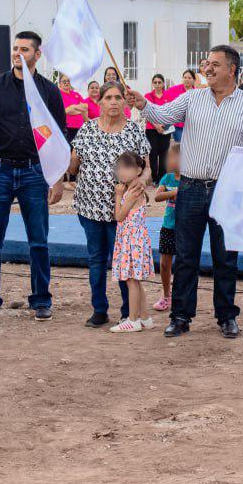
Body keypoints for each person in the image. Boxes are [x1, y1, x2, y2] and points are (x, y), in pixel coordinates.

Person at [126, 46, 243, 339]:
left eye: (215, 64)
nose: (208, 68)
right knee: (186, 255)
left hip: (228, 191)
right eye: (206, 63)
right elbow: (162, 115)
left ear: (232, 69)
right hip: (189, 188)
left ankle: (226, 316)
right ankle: (180, 316)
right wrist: (142, 104)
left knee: (226, 257)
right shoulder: (192, 98)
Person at [0, 31, 66, 322]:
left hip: (35, 171)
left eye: (25, 49)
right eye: (15, 48)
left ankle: (41, 300)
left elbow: (59, 137)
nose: (18, 53)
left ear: (37, 54)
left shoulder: (49, 91)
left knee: (39, 241)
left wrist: (57, 178)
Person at [68, 80, 149, 327]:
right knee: (96, 260)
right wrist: (69, 160)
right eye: (108, 98)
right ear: (99, 101)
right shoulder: (87, 130)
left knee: (124, 261)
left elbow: (148, 169)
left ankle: (129, 312)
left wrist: (141, 183)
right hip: (90, 207)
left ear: (125, 101)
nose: (113, 102)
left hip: (123, 212)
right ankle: (99, 310)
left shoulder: (135, 130)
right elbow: (73, 167)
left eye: (118, 97)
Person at [109, 151, 155, 332]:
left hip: (132, 240)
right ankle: (144, 317)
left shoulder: (132, 191)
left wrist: (118, 195)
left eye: (127, 168)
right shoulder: (135, 186)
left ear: (138, 170)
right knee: (135, 280)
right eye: (120, 168)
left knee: (131, 280)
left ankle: (133, 319)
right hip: (133, 239)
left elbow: (119, 216)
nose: (122, 172)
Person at [153, 144, 181, 313]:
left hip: (184, 227)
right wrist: (174, 192)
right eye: (169, 157)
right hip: (168, 226)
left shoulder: (189, 178)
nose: (170, 161)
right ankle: (166, 295)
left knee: (183, 264)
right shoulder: (167, 179)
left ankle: (180, 295)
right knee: (164, 264)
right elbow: (157, 196)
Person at [143, 74, 173, 182]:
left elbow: (170, 112)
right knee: (153, 153)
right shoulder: (147, 96)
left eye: (159, 82)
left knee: (163, 153)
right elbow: (146, 113)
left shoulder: (168, 96)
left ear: (163, 83)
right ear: (152, 83)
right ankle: (155, 178)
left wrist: (163, 126)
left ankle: (162, 178)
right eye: (155, 82)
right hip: (151, 129)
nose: (157, 84)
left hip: (166, 128)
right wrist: (156, 126)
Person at [58, 73, 92, 145]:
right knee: (69, 150)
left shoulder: (75, 94)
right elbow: (66, 110)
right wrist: (79, 109)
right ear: (60, 84)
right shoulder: (58, 94)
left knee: (79, 151)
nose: (66, 83)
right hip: (67, 127)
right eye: (64, 81)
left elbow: (85, 106)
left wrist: (73, 107)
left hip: (80, 127)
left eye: (68, 81)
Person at [171, 69, 200, 143]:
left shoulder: (198, 93)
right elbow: (163, 96)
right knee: (180, 147)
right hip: (178, 126)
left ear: (194, 80)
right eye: (185, 77)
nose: (187, 79)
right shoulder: (175, 89)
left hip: (193, 126)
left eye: (189, 78)